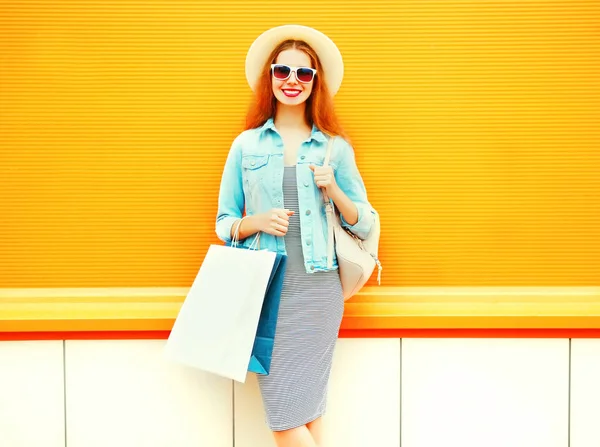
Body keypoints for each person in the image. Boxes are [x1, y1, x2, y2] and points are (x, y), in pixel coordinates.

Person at [215, 24, 375, 447]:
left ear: (315, 81)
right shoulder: (246, 145)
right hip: (267, 291)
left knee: (306, 411)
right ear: (269, 77)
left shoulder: (333, 149)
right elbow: (224, 220)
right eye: (282, 71)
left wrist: (334, 189)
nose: (292, 81)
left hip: (319, 290)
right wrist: (257, 222)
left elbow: (366, 222)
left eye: (303, 74)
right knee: (288, 414)